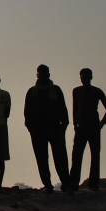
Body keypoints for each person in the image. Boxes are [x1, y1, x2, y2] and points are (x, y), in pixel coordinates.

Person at [23, 64, 70, 194]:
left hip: (55, 128)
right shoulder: (32, 92)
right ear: (37, 75)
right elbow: (27, 113)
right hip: (38, 131)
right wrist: (31, 129)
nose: (43, 76)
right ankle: (47, 185)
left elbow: (63, 109)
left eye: (45, 74)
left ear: (48, 75)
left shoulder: (56, 90)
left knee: (60, 158)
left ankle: (66, 184)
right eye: (41, 74)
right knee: (42, 159)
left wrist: (64, 126)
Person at [69, 68, 106, 192]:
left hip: (93, 127)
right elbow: (75, 109)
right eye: (82, 76)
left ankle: (93, 183)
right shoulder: (76, 91)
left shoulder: (97, 91)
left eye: (86, 76)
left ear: (91, 77)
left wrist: (101, 123)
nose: (84, 79)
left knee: (95, 155)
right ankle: (73, 183)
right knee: (76, 155)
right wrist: (75, 125)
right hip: (81, 128)